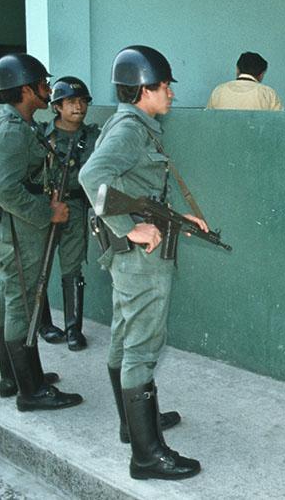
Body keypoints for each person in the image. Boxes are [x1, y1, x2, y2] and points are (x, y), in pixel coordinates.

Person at [79, 46, 207, 480]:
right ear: (142, 89)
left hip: (130, 253)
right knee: (143, 348)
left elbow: (134, 186)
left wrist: (175, 218)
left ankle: (133, 427)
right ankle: (147, 457)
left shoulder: (132, 125)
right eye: (164, 85)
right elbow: (91, 176)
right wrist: (128, 227)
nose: (170, 92)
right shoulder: (130, 129)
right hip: (140, 257)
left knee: (125, 336)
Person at [0, 54, 82, 411]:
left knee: (10, 300)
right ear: (26, 89)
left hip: (10, 229)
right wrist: (46, 211)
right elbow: (3, 186)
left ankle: (13, 377)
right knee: (23, 306)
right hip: (22, 232)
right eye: (44, 85)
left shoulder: (11, 121)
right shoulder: (13, 129)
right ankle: (30, 392)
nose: (49, 89)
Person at [41, 76, 100, 350]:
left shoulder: (93, 138)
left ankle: (73, 328)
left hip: (75, 207)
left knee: (73, 267)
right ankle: (43, 324)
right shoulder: (40, 135)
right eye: (71, 101)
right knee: (37, 265)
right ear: (57, 106)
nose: (79, 106)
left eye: (83, 101)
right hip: (43, 207)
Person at [206, 51, 283, 111]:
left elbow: (208, 121)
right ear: (261, 74)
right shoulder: (268, 93)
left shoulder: (219, 91)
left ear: (237, 69)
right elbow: (279, 123)